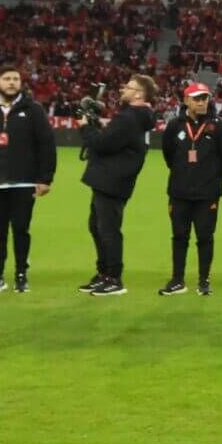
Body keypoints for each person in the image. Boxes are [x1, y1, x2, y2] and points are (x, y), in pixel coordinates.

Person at [0, 67, 55, 294]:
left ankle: (21, 275)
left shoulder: (33, 110)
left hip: (24, 182)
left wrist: (45, 178)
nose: (12, 83)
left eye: (16, 79)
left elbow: (46, 145)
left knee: (21, 230)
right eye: (7, 79)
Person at [78, 75, 158, 296]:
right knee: (97, 226)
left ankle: (113, 277)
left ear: (139, 94)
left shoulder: (129, 117)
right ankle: (105, 272)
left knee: (107, 229)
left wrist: (85, 127)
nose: (123, 89)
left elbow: (102, 144)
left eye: (129, 87)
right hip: (113, 179)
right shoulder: (136, 118)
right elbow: (112, 141)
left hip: (111, 180)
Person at [159, 82, 222, 295]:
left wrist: (214, 179)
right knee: (179, 236)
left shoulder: (219, 126)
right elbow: (168, 155)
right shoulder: (174, 125)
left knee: (205, 237)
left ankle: (203, 281)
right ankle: (177, 280)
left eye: (205, 98)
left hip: (207, 194)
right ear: (186, 100)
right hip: (179, 192)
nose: (201, 102)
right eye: (197, 98)